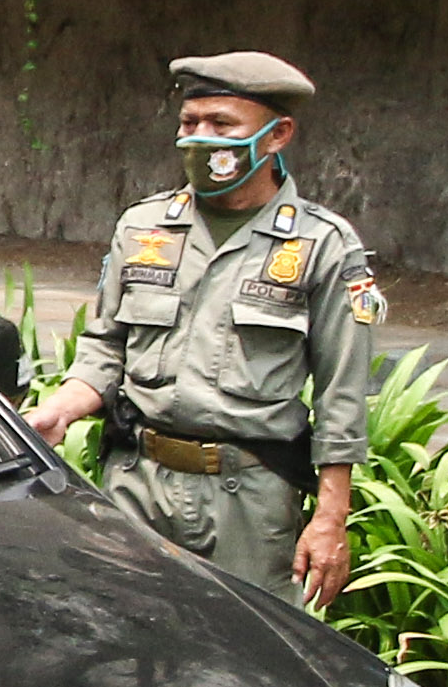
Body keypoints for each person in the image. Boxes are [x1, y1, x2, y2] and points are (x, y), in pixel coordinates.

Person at [22, 51, 388, 607]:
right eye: (190, 124)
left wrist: (331, 518)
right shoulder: (143, 227)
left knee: (250, 662)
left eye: (222, 125)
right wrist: (62, 408)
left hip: (247, 498)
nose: (200, 139)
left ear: (277, 134)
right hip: (136, 484)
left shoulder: (321, 245)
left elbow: (343, 393)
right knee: (124, 644)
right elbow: (106, 351)